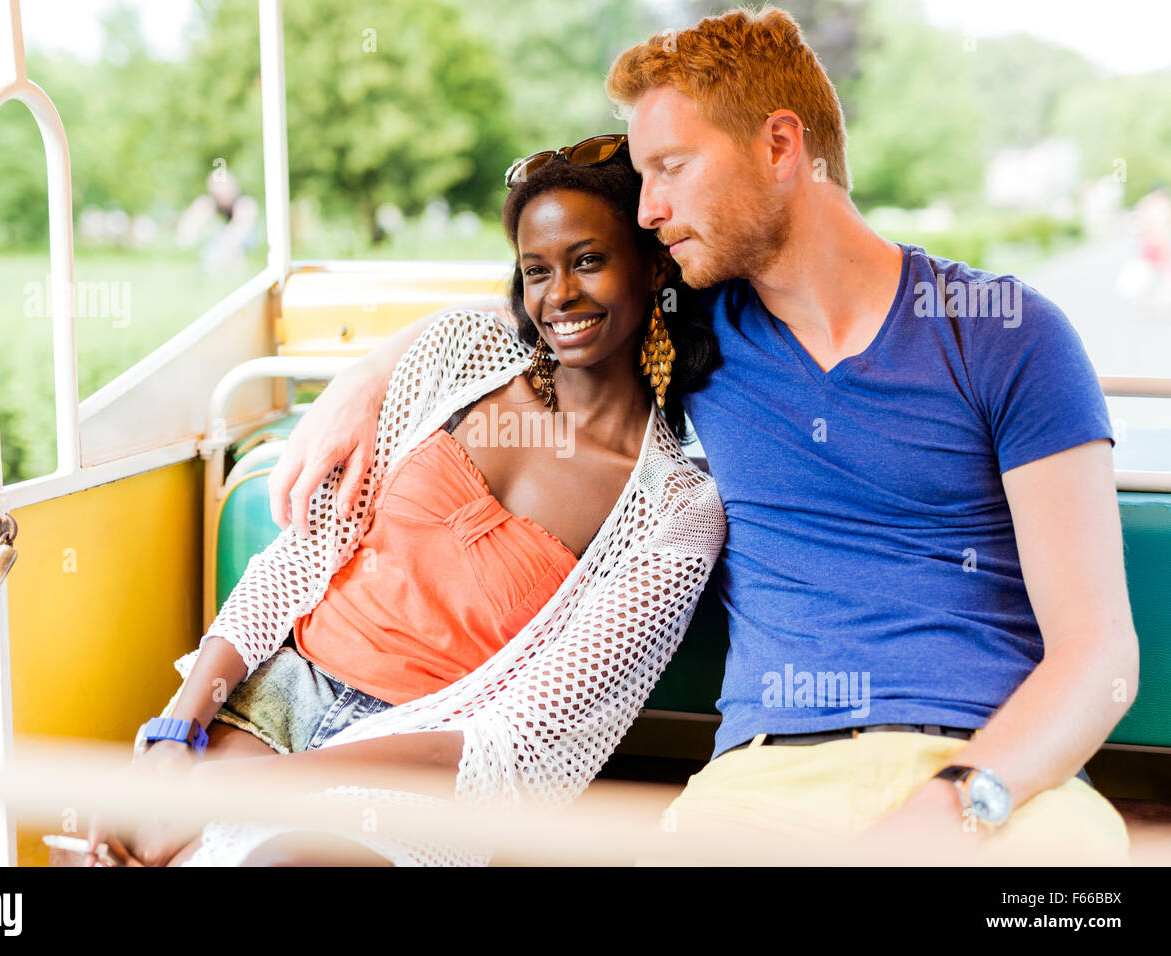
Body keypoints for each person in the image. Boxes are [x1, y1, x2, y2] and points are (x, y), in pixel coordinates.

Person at [274, 7, 1139, 864]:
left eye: (673, 168)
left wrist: (961, 803)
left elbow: (1098, 651)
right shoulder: (695, 321)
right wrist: (369, 374)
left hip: (1000, 785)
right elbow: (548, 303)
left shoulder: (1007, 332)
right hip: (766, 791)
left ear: (779, 145)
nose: (648, 210)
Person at [84, 137, 726, 866]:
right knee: (112, 842)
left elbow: (511, 744)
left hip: (416, 773)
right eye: (536, 270)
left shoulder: (675, 512)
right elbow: (296, 563)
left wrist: (253, 796)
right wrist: (175, 734)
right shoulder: (458, 354)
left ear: (653, 267)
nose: (560, 297)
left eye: (588, 261)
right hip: (270, 700)